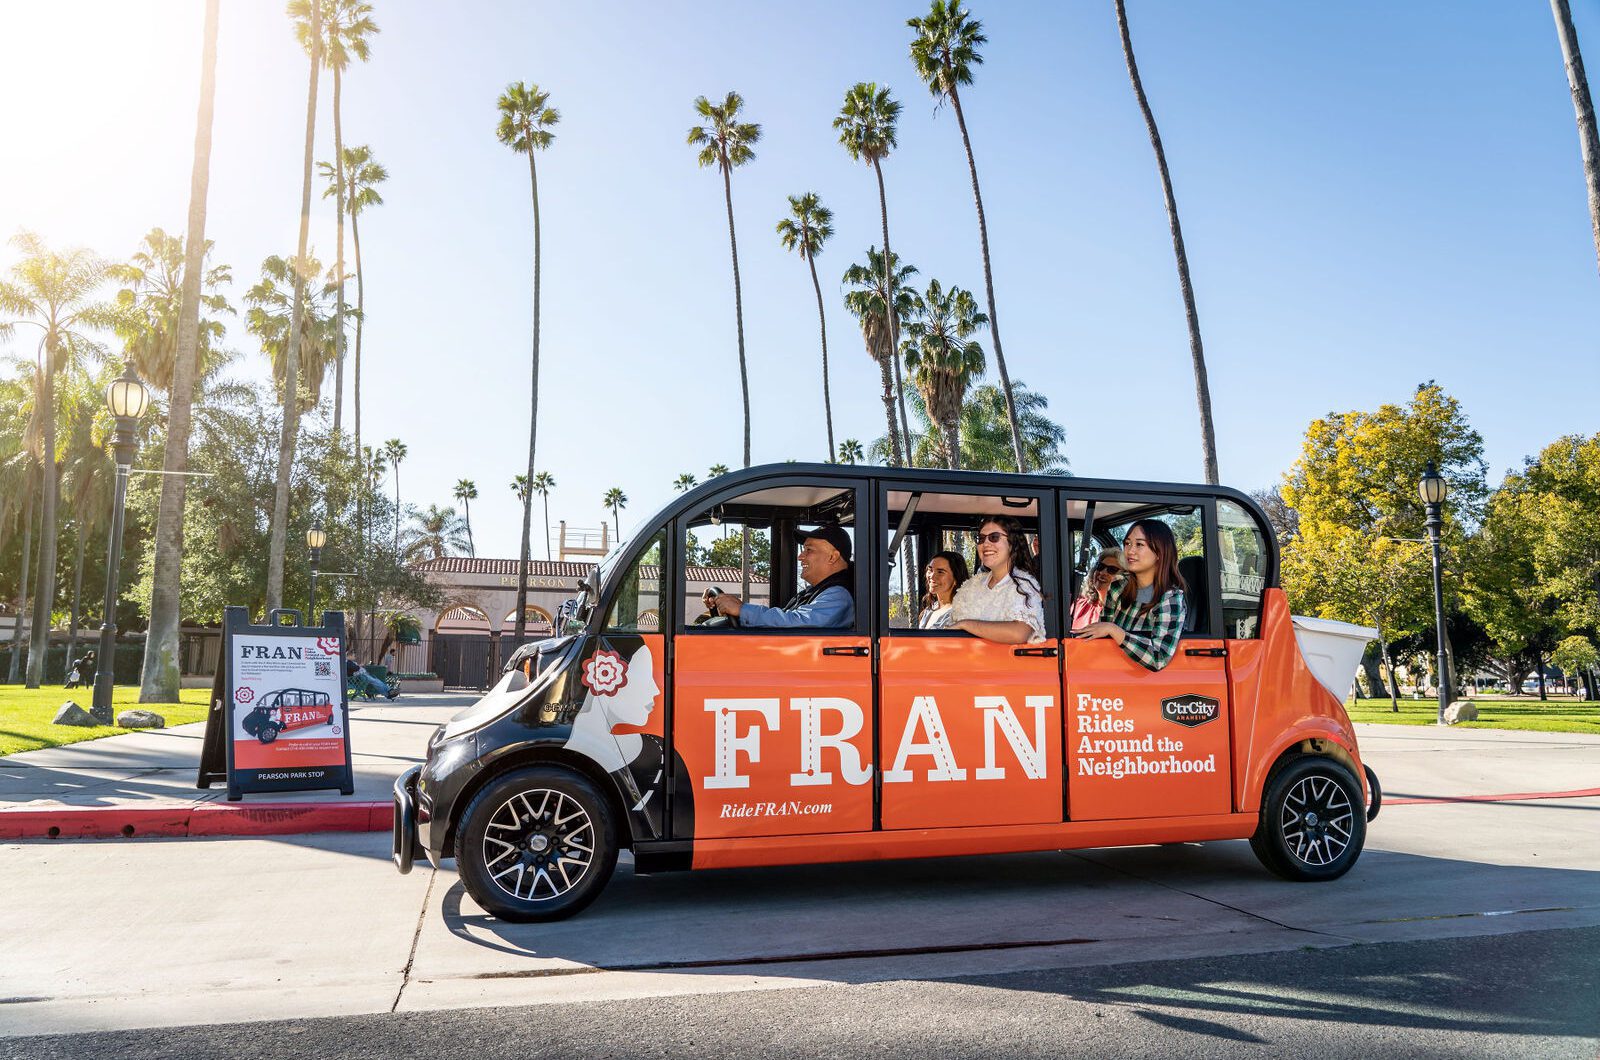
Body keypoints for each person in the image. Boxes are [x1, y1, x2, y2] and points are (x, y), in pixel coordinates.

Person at [1076, 519, 1187, 671]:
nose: (1130, 551)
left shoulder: (1170, 599)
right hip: (1110, 672)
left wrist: (1114, 630)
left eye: (1139, 544)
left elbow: (1159, 658)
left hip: (1145, 683)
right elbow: (1102, 641)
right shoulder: (1117, 587)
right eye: (1127, 543)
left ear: (1159, 553)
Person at [712, 524, 854, 630]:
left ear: (832, 557)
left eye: (809, 550)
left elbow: (796, 622)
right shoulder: (816, 592)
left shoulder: (839, 594)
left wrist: (742, 610)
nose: (800, 556)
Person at [949, 516, 1047, 644]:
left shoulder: (1024, 585)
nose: (986, 544)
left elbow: (1019, 633)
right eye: (981, 538)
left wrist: (966, 625)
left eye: (994, 537)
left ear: (1012, 544)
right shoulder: (971, 585)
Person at [1069, 547, 1125, 631]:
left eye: (1112, 570)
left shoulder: (1125, 614)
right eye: (1100, 566)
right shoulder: (1078, 604)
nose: (1102, 572)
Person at [917, 551, 970, 630]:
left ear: (956, 579)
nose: (932, 576)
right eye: (930, 570)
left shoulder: (960, 614)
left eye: (940, 572)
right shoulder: (929, 610)